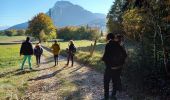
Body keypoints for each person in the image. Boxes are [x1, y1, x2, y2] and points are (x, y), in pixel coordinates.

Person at [102, 33, 127, 100]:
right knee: (115, 82)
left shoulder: (108, 45)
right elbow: (125, 55)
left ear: (108, 38)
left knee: (106, 82)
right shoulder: (119, 44)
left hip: (110, 68)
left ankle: (106, 97)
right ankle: (113, 96)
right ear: (113, 38)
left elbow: (105, 57)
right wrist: (120, 64)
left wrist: (107, 63)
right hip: (118, 68)